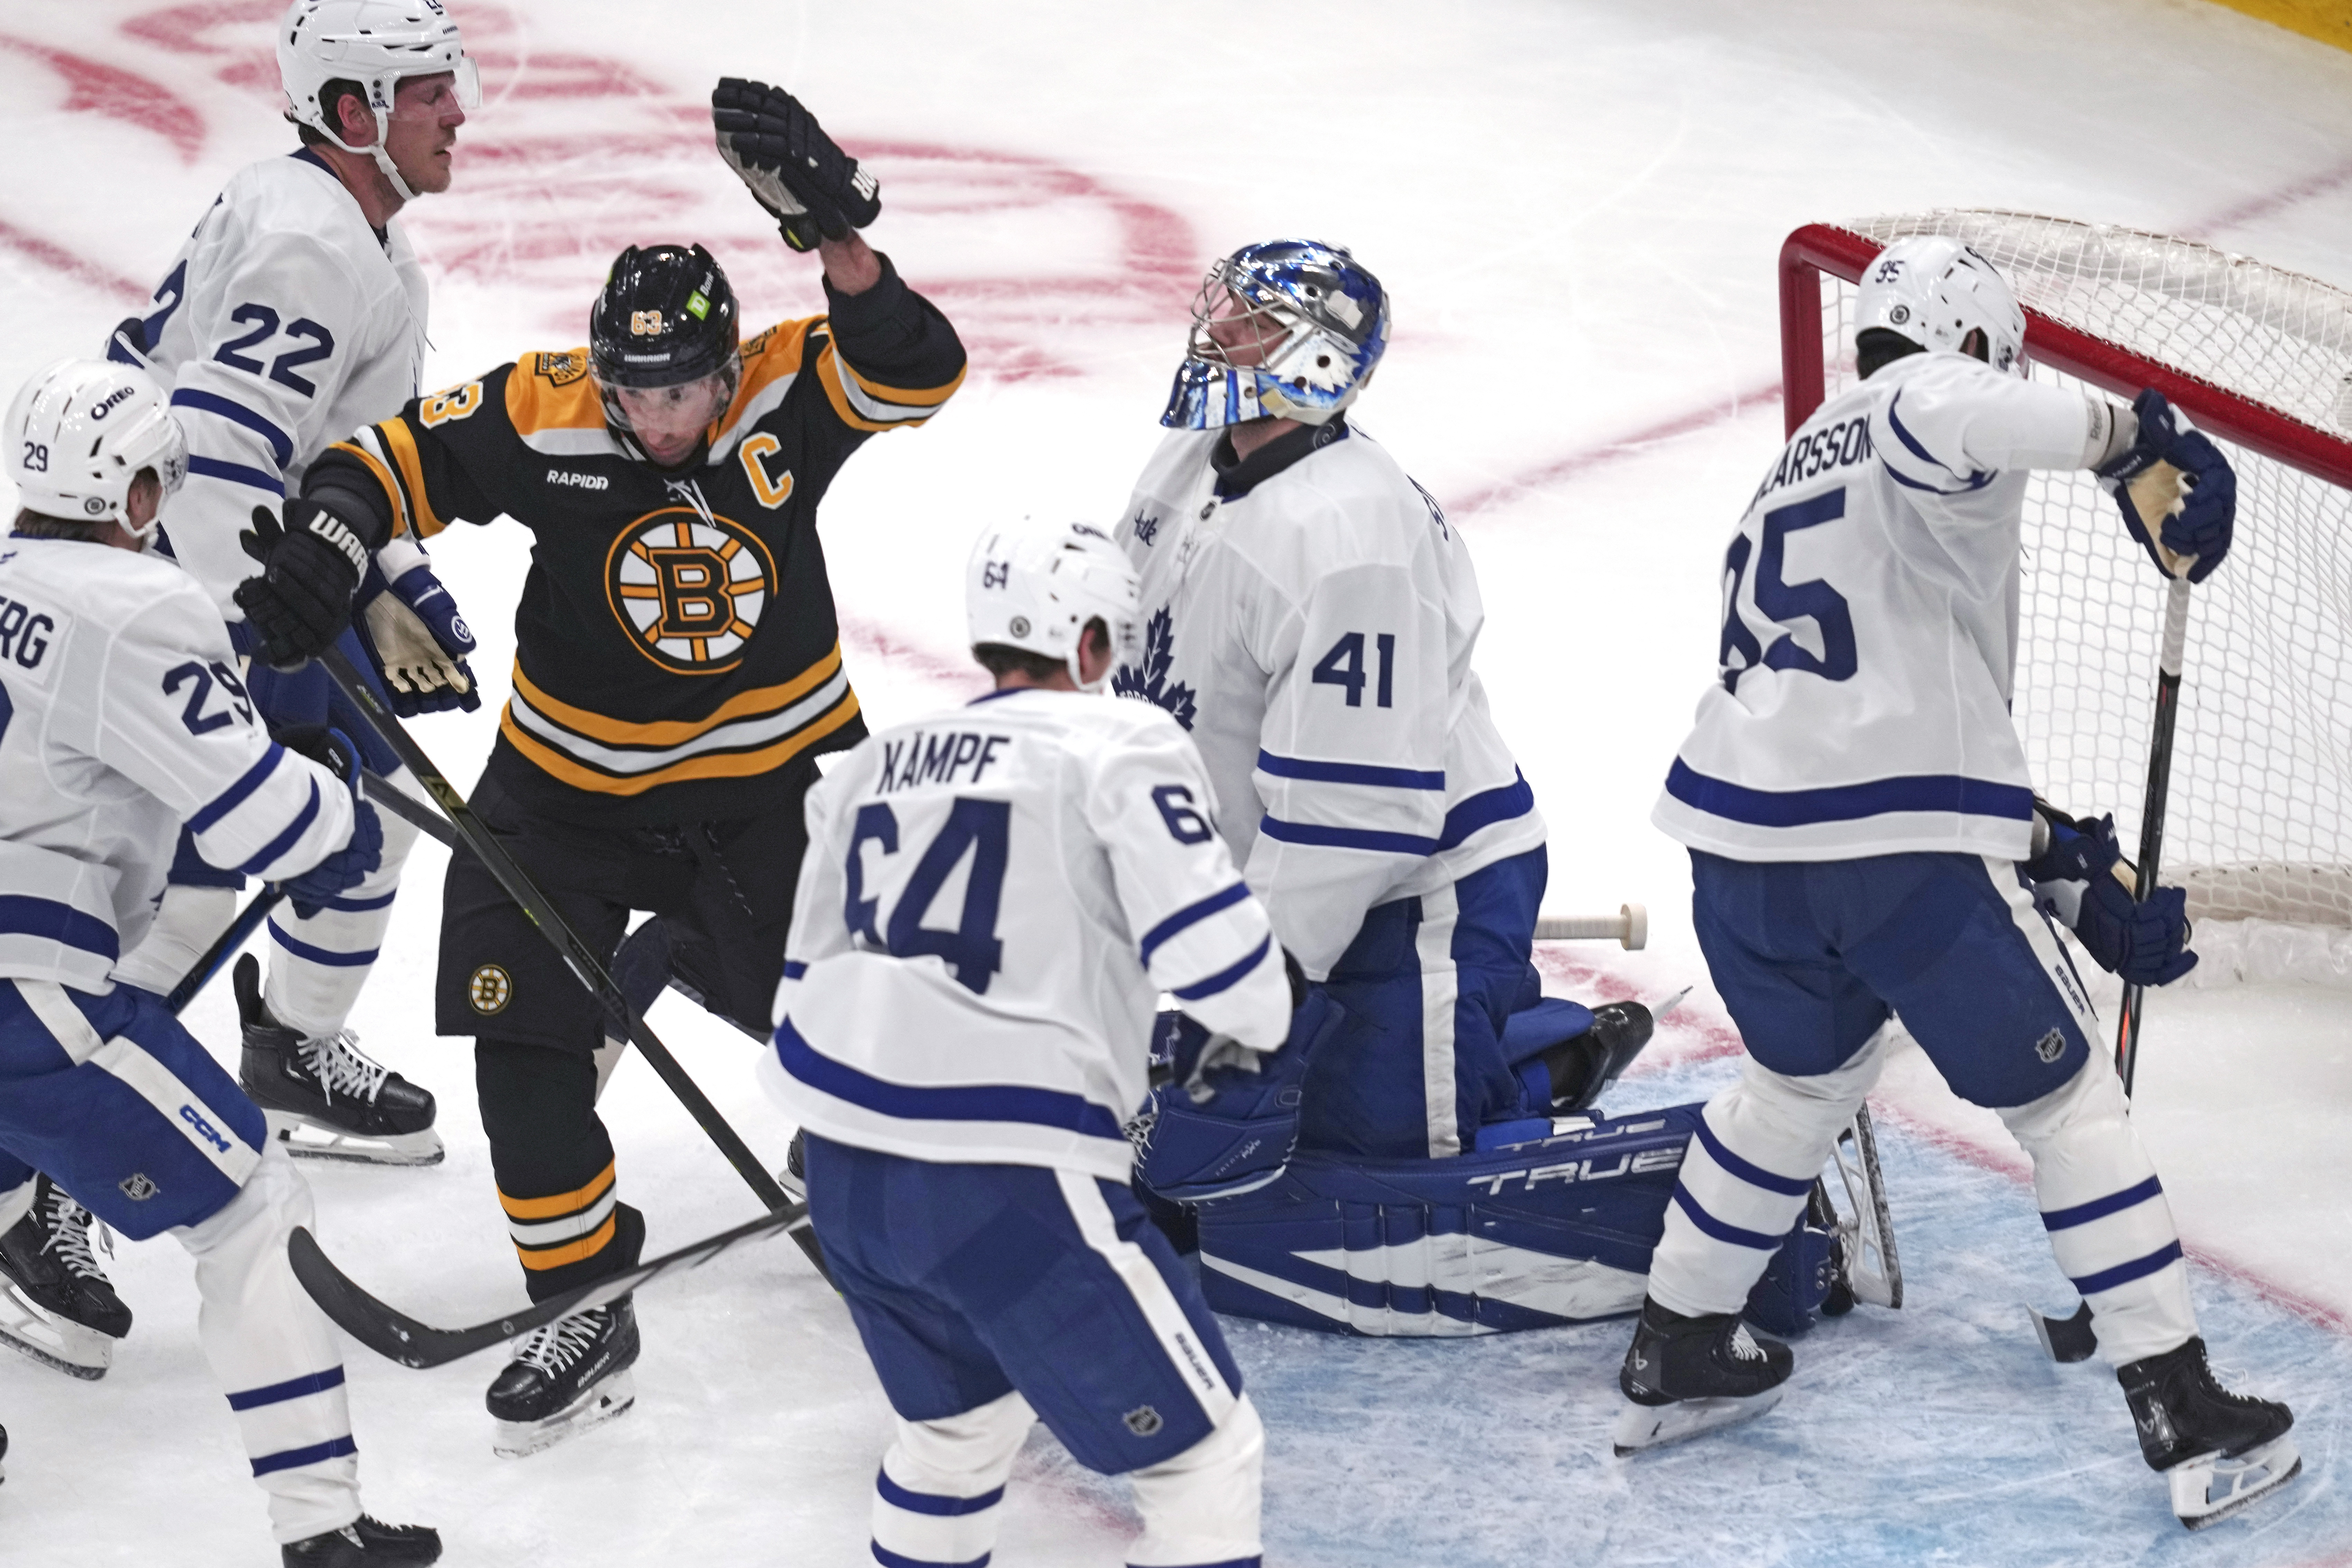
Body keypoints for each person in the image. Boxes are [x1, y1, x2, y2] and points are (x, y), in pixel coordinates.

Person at [288, 79, 967, 1455]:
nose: (663, 420)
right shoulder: (547, 413)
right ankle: (583, 1300)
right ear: (604, 376)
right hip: (566, 800)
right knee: (515, 1040)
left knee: (865, 1028)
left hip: (780, 794)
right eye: (638, 394)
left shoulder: (784, 385)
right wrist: (329, 548)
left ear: (730, 367)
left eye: (687, 389)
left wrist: (841, 241)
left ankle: (849, 1170)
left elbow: (919, 373)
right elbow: (383, 460)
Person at [1627, 235, 2297, 1528]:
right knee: (2067, 1100)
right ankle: (2178, 1401)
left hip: (1740, 856)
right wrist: (2138, 436)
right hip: (1889, 854)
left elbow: (1853, 714)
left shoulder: (1795, 462)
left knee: (1798, 1085)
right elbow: (1952, 403)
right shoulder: (1920, 401)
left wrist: (2053, 858)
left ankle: (1679, 1343)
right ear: (1977, 343)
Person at [767, 518, 1292, 1568]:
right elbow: (1242, 994)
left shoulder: (867, 768)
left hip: (846, 1176)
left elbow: (797, 998)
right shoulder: (1119, 745)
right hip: (1011, 1179)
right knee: (1206, 1461)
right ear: (1092, 645)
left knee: (955, 1435)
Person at [0, 359, 436, 1565]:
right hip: (25, 1001)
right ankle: (323, 1532)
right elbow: (267, 830)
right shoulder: (135, 608)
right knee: (251, 1212)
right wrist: (338, 791)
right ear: (132, 494)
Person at [103, 0, 485, 1172]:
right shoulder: (313, 239)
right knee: (194, 872)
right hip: (166, 582)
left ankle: (291, 1051)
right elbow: (214, 458)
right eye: (428, 93)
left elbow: (345, 464)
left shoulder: (366, 235)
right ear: (353, 111)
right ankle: (53, 1150)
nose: (456, 113)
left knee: (367, 824)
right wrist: (257, 657)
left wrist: (389, 573)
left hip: (226, 566)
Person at [1111, 239, 1550, 1165]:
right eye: (1227, 307)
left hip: (1414, 904)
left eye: (1256, 322)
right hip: (1269, 882)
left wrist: (1250, 987)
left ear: (1318, 364)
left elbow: (1357, 816)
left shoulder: (1350, 537)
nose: (1218, 327)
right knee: (1202, 1141)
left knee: (1361, 1182)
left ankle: (1551, 1055)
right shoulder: (1191, 460)